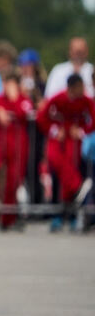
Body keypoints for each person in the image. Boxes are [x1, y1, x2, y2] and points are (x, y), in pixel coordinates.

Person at [36, 74, 95, 231]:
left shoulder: (86, 100)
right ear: (71, 87)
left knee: (73, 167)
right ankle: (78, 187)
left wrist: (82, 131)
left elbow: (93, 120)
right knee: (56, 164)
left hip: (74, 140)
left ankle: (72, 215)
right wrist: (55, 131)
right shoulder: (57, 98)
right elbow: (42, 118)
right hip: (59, 138)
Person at [0, 73, 34, 229]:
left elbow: (25, 112)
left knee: (14, 179)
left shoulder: (23, 100)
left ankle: (7, 217)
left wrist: (14, 98)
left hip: (18, 144)